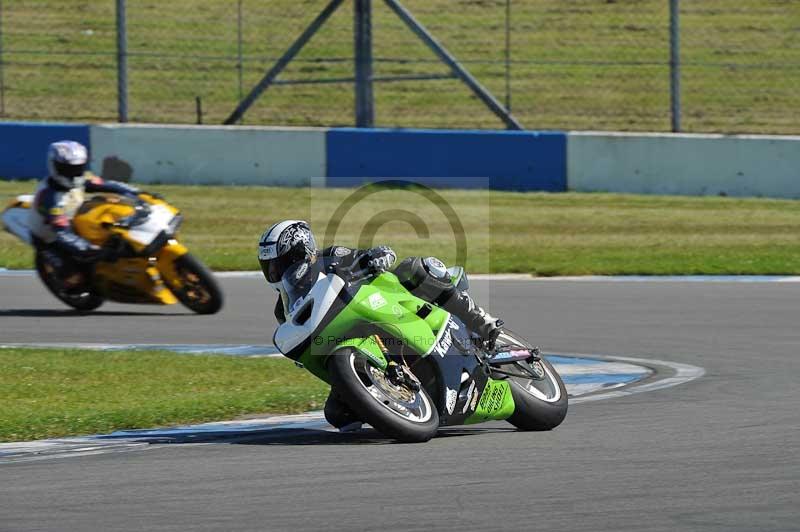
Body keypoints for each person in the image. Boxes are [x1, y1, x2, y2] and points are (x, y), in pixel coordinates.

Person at [257, 219, 504, 429]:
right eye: (270, 266)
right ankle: (397, 399)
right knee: (336, 414)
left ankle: (481, 320)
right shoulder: (283, 310)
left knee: (417, 269)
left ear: (304, 250)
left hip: (385, 305)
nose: (277, 271)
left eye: (283, 261)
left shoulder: (329, 257)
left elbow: (360, 256)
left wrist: (375, 256)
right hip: (349, 344)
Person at [29, 140, 143, 288]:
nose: (73, 174)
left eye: (77, 168)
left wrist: (136, 192)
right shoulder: (49, 198)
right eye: (67, 169)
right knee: (73, 277)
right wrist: (89, 248)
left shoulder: (81, 178)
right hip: (50, 238)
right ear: (53, 166)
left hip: (76, 219)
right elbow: (62, 234)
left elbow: (106, 184)